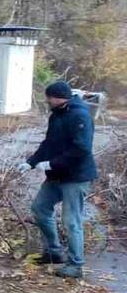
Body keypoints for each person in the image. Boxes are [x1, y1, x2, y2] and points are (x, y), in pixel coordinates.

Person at [15, 81, 97, 279]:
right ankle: (53, 252)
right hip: (57, 176)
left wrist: (51, 164)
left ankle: (75, 265)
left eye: (49, 97)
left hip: (76, 177)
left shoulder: (80, 115)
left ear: (58, 97)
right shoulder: (57, 115)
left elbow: (81, 149)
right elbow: (48, 144)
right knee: (40, 208)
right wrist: (32, 162)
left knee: (71, 221)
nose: (47, 101)